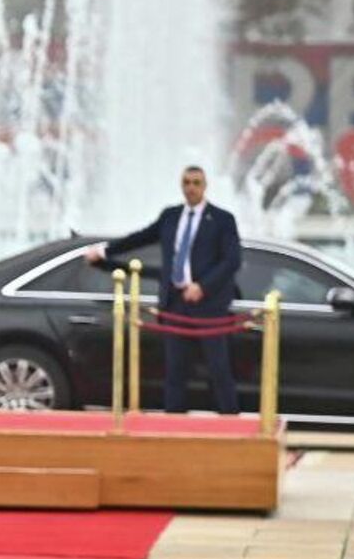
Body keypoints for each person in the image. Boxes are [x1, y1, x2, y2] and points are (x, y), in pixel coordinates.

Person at [88, 165, 242, 414]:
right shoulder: (170, 216)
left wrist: (203, 286)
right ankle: (173, 422)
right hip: (175, 303)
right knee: (175, 370)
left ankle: (230, 422)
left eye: (196, 183)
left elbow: (232, 260)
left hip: (208, 306)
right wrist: (104, 251)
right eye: (186, 183)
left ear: (205, 186)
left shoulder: (222, 219)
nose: (191, 188)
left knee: (218, 369)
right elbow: (140, 238)